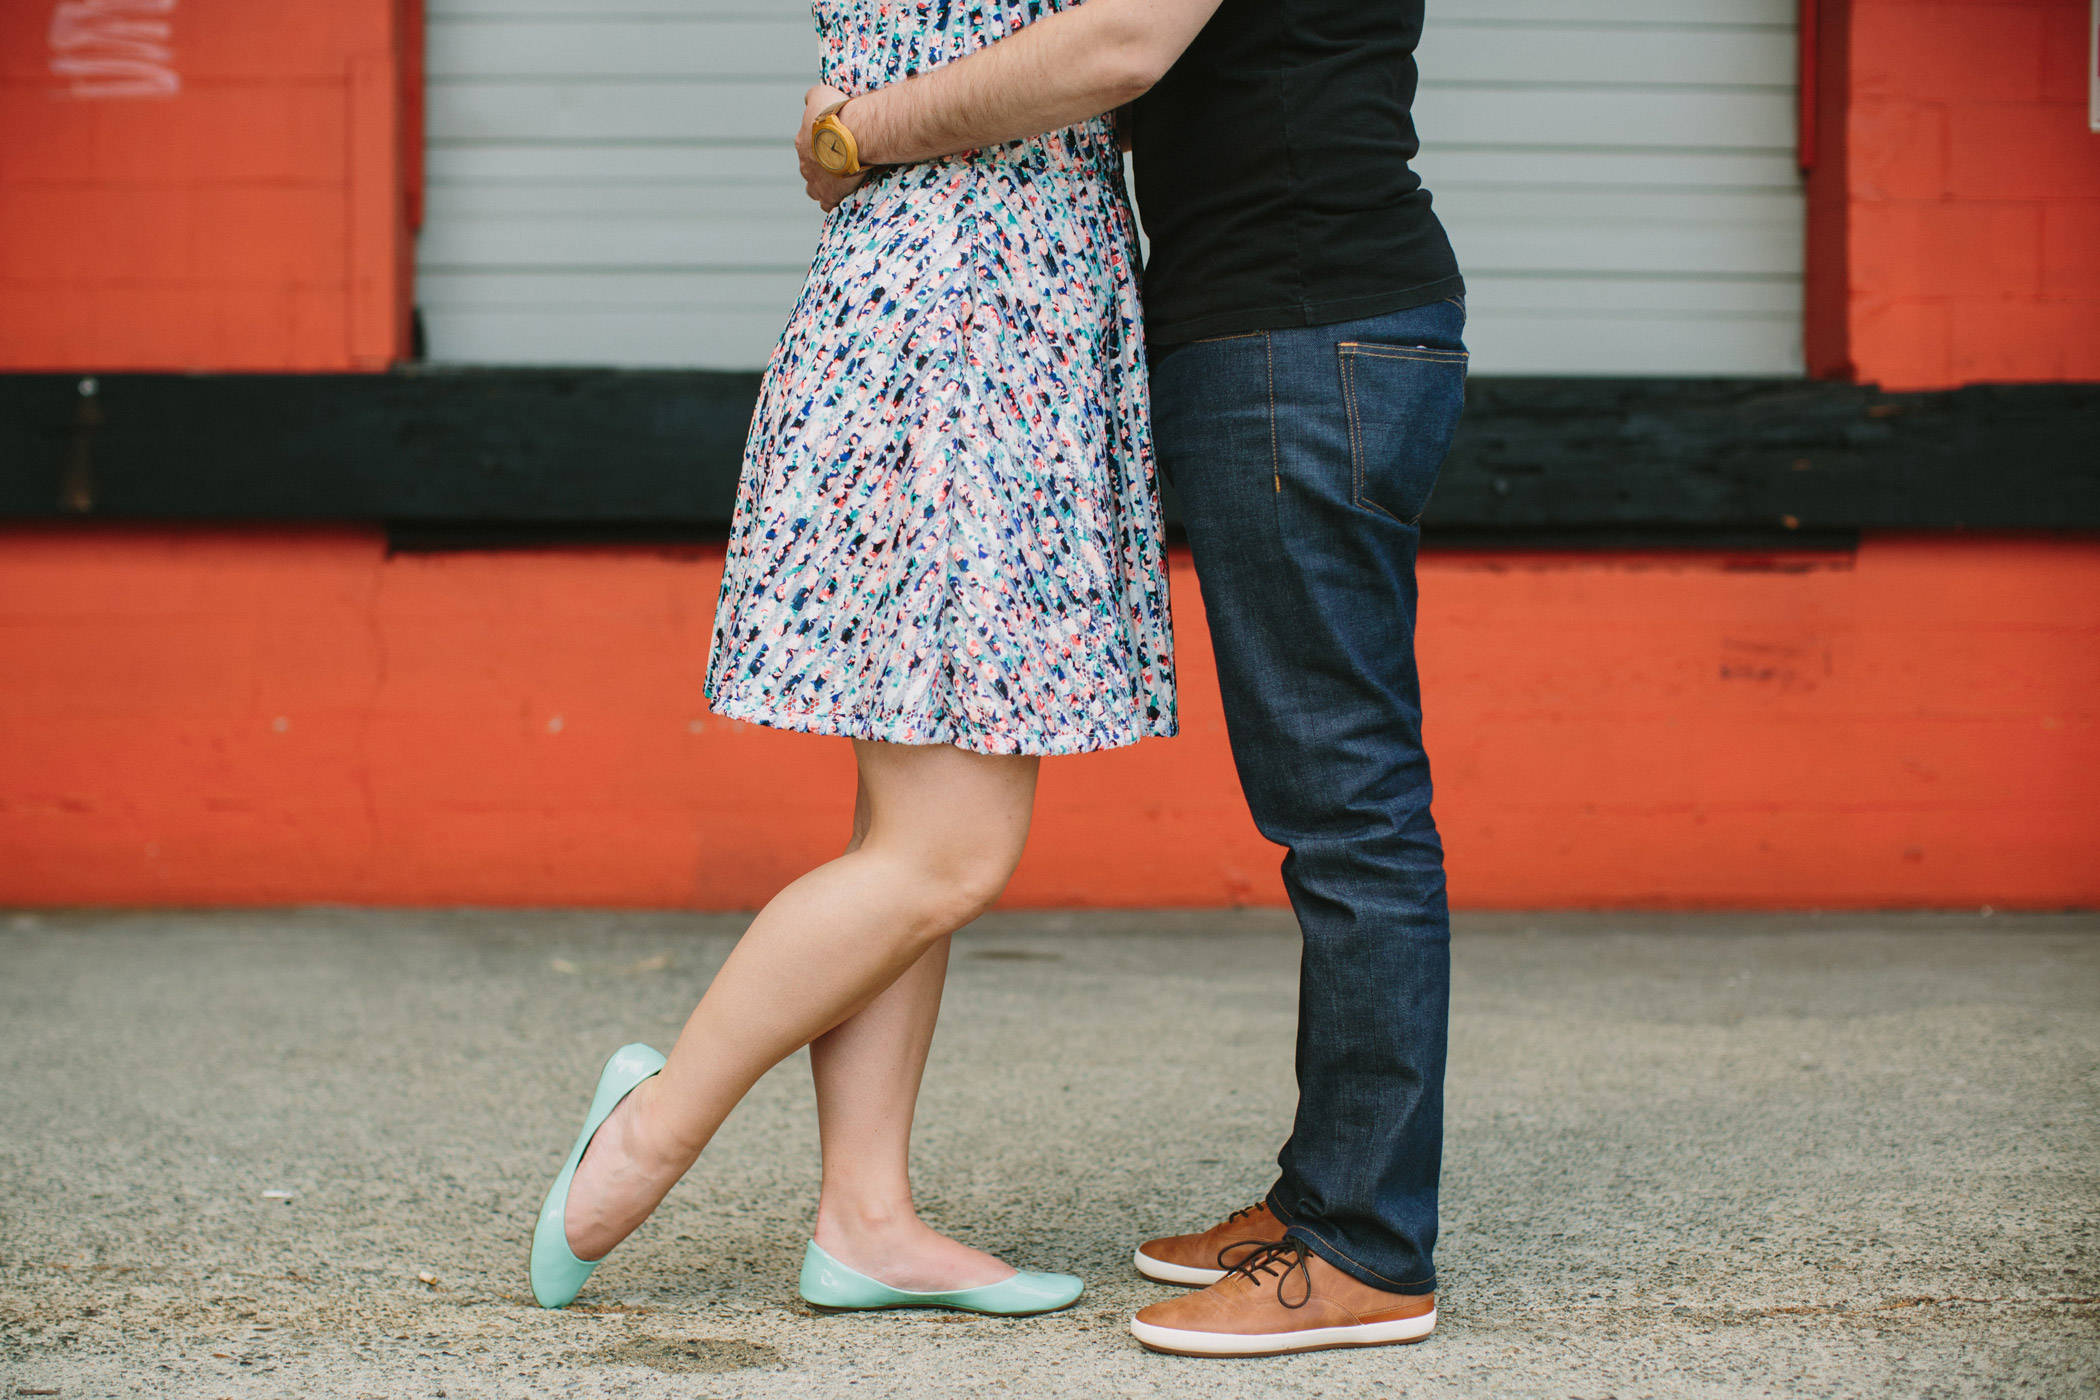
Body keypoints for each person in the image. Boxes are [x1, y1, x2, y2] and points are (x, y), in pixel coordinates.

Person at [793, 0, 1468, 1358]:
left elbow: (1119, 45)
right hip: (1287, 327)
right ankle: (1325, 1194)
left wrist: (853, 132)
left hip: (1302, 333)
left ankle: (1366, 1250)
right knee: (1332, 798)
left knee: (1347, 803)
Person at [527, 0, 1176, 1318]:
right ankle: (650, 1131)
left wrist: (849, 131)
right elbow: (1115, 44)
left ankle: (866, 1218)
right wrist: (856, 129)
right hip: (977, 321)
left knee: (908, 823)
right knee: (949, 851)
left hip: (934, 293)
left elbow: (839, 106)